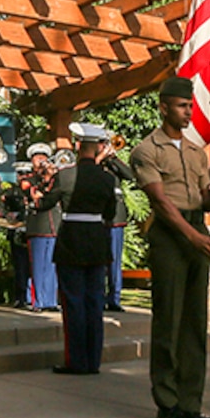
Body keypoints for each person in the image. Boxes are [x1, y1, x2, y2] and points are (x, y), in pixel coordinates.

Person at [132, 77, 210, 418]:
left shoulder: (197, 153)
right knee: (169, 319)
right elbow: (161, 203)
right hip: (172, 234)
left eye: (191, 106)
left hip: (197, 228)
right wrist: (194, 236)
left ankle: (190, 402)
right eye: (182, 106)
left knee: (195, 322)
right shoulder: (146, 150)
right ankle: (167, 404)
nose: (188, 112)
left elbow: (205, 197)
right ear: (164, 106)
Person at [46, 123, 119, 374]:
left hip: (71, 242)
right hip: (97, 243)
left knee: (73, 302)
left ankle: (76, 361)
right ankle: (93, 361)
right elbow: (110, 212)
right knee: (94, 302)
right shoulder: (107, 179)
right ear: (98, 147)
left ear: (78, 146)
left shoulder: (65, 176)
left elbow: (47, 202)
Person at [24, 143, 61, 310]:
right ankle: (38, 301)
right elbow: (33, 193)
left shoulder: (56, 178)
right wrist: (45, 179)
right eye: (37, 157)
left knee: (53, 265)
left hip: (54, 225)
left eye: (43, 157)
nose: (41, 161)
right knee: (38, 266)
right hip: (37, 226)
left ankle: (51, 301)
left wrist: (52, 176)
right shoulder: (28, 179)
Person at [101, 138, 135, 311]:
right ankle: (99, 298)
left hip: (115, 218)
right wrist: (100, 157)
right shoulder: (93, 163)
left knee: (114, 261)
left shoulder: (112, 164)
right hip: (98, 217)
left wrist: (113, 158)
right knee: (99, 261)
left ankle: (114, 299)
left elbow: (130, 175)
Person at [1, 162, 34, 308]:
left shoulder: (36, 190)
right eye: (20, 175)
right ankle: (20, 298)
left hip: (33, 231)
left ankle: (32, 297)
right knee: (20, 267)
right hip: (17, 233)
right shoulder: (10, 193)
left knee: (34, 267)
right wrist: (9, 216)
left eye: (26, 174)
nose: (23, 178)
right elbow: (1, 212)